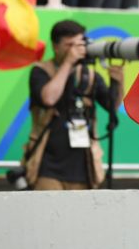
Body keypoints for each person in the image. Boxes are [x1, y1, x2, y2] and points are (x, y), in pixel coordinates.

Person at [25, 20, 124, 190]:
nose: (75, 50)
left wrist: (118, 82)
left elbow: (112, 107)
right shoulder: (40, 71)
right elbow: (48, 98)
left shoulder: (89, 75)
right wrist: (68, 63)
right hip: (47, 167)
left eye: (78, 44)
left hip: (84, 167)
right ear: (56, 47)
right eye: (69, 45)